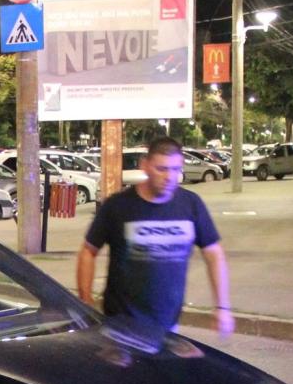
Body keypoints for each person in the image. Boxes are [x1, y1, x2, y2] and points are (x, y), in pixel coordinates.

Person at [75, 136, 233, 349]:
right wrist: (85, 300)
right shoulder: (118, 206)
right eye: (162, 169)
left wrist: (222, 307)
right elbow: (88, 251)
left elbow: (213, 253)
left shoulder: (191, 204)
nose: (169, 177)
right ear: (145, 166)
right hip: (121, 327)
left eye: (175, 170)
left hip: (168, 326)